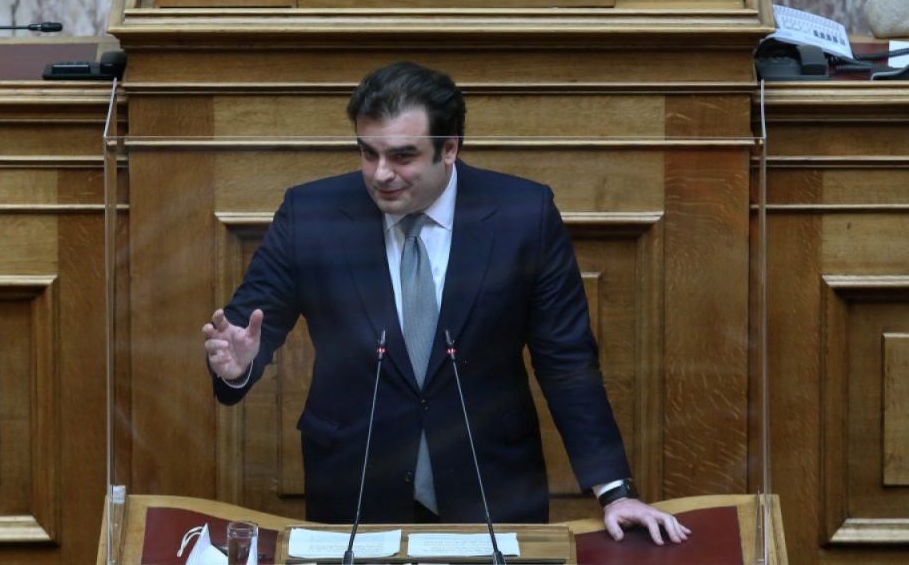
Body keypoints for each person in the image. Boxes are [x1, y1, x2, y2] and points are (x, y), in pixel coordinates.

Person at [204, 61, 690, 544]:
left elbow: (566, 359)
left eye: (402, 156)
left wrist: (614, 491)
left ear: (450, 148)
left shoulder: (523, 215)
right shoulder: (311, 214)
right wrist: (237, 364)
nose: (381, 174)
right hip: (355, 487)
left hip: (490, 484)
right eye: (368, 153)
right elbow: (250, 324)